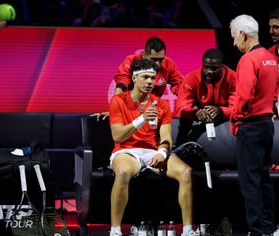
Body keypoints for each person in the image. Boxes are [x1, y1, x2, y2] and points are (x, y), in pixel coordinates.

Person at [108, 58, 197, 236]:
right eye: (146, 77)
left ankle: (188, 231)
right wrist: (142, 119)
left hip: (152, 152)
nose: (150, 82)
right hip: (126, 151)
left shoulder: (161, 104)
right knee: (124, 171)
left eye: (153, 78)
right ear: (134, 78)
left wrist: (162, 152)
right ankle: (115, 231)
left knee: (186, 172)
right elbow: (117, 136)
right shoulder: (118, 101)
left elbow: (165, 137)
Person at [229, 14, 278, 236]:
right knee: (264, 178)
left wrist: (236, 118)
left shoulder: (248, 60)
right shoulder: (271, 58)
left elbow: (244, 96)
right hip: (267, 125)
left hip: (250, 126)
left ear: (243, 34)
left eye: (234, 38)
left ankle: (257, 230)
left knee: (249, 183)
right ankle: (267, 227)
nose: (234, 44)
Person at [93, 36, 183, 120]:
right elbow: (122, 84)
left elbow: (179, 87)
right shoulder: (131, 61)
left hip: (151, 109)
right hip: (129, 108)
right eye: (154, 59)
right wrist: (114, 111)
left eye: (161, 59)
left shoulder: (169, 65)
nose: (158, 64)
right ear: (144, 55)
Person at [174, 48, 237, 146]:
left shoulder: (234, 78)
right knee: (184, 120)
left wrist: (220, 111)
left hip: (224, 117)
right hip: (200, 116)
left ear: (222, 67)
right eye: (206, 67)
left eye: (214, 68)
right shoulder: (191, 79)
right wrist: (195, 113)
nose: (209, 71)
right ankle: (179, 147)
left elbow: (238, 108)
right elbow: (180, 108)